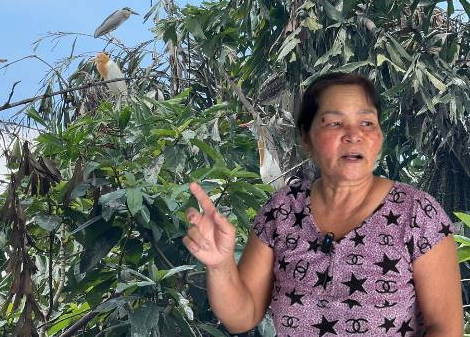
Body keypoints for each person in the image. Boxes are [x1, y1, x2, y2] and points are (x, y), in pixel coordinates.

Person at [183, 72, 462, 336]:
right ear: (306, 138)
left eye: (367, 123)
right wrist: (220, 265)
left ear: (379, 136)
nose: (353, 134)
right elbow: (243, 315)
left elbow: (445, 328)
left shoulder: (417, 214)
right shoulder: (283, 210)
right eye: (334, 123)